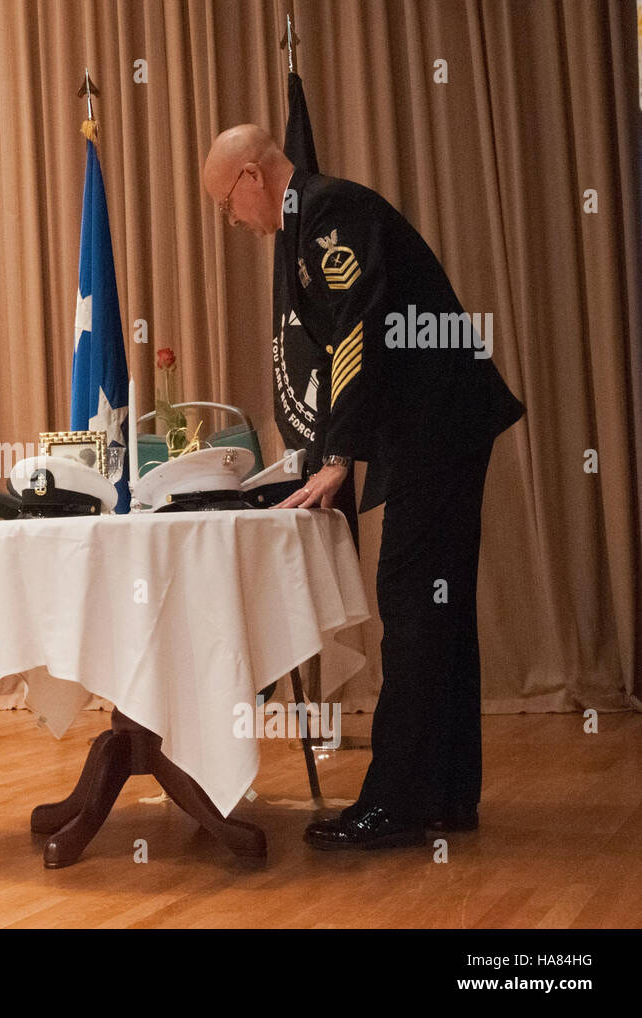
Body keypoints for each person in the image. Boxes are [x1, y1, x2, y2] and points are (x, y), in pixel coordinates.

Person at [201, 124, 525, 849]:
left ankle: (397, 804)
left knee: (413, 608)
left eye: (227, 203)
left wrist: (339, 455)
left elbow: (357, 331)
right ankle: (444, 794)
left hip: (436, 425)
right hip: (436, 426)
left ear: (253, 176)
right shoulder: (310, 219)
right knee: (438, 612)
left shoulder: (327, 214)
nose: (234, 221)